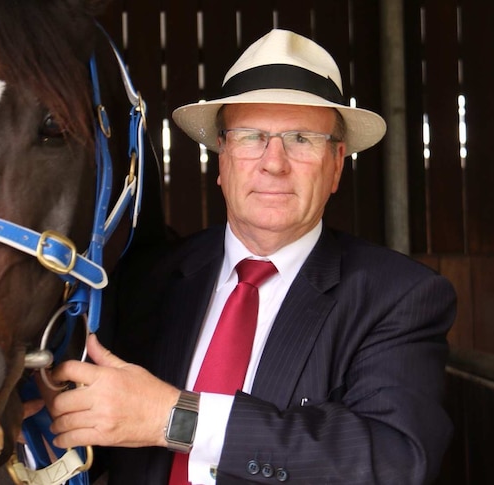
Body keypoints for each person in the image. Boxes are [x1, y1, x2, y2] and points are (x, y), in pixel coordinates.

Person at [41, 29, 457, 484]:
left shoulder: (398, 296)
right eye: (250, 136)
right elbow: (94, 422)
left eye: (301, 139)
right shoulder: (147, 278)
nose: (273, 162)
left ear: (337, 164)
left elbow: (395, 461)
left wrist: (174, 417)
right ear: (222, 160)